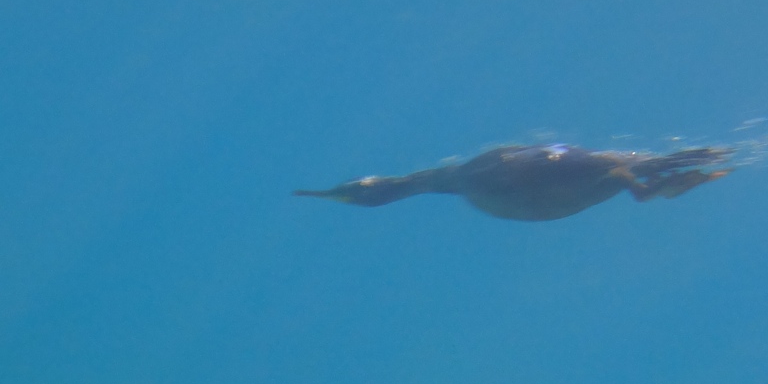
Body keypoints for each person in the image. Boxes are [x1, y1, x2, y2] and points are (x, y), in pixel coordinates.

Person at [295, 142, 732, 223]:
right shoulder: (472, 178)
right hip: (526, 185)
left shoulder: (468, 181)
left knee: (624, 170)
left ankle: (649, 183)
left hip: (526, 191)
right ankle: (649, 182)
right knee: (623, 169)